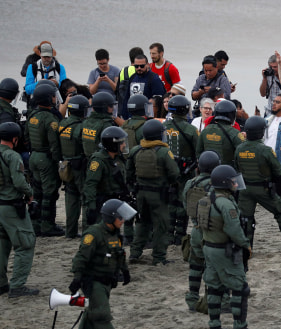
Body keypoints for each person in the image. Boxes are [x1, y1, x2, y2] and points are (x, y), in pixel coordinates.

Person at [196, 164, 261, 329]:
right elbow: (234, 230)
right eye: (233, 181)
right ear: (225, 183)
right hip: (225, 250)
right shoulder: (226, 204)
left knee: (214, 287)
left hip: (208, 247)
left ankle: (214, 327)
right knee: (240, 287)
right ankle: (240, 327)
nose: (235, 184)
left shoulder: (205, 199)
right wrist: (246, 245)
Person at [69, 199, 134, 329]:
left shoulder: (115, 234)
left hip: (106, 282)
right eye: (121, 218)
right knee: (102, 315)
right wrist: (77, 278)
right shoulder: (94, 234)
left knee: (92, 315)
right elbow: (81, 257)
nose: (123, 221)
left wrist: (124, 270)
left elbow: (119, 254)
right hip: (93, 281)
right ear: (111, 218)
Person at [235, 116, 281, 255]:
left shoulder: (239, 149)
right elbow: (278, 171)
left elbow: (237, 168)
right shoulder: (265, 150)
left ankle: (246, 249)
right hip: (263, 189)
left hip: (245, 189)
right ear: (261, 132)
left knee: (246, 219)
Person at [127, 120, 180, 265]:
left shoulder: (136, 150)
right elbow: (174, 173)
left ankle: (135, 253)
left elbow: (129, 173)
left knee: (142, 223)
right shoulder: (163, 152)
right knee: (161, 226)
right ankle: (159, 257)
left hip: (140, 194)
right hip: (159, 195)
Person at [0, 122, 38, 298]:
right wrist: (30, 194)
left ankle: (1, 284)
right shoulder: (12, 156)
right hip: (11, 206)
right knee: (25, 243)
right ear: (15, 139)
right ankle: (17, 286)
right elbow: (19, 182)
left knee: (2, 245)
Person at [182, 150, 221, 312]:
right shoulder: (217, 185)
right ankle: (217, 299)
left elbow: (185, 204)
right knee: (216, 267)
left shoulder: (190, 184)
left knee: (195, 265)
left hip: (196, 230)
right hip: (212, 232)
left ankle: (192, 297)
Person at [25, 84, 64, 237]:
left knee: (37, 191)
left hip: (33, 156)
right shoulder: (51, 120)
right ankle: (47, 225)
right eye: (54, 96)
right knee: (50, 193)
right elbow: (54, 145)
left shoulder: (32, 116)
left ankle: (35, 223)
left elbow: (26, 138)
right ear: (49, 98)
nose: (55, 99)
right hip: (46, 159)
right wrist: (57, 162)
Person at [162, 95, 198, 245]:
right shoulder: (191, 130)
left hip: (166, 171)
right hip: (185, 172)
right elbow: (199, 152)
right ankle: (179, 235)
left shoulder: (163, 126)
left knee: (169, 202)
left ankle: (169, 234)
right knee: (183, 202)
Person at [83, 126, 129, 226]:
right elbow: (90, 184)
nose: (124, 145)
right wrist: (91, 207)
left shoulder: (118, 159)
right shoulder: (98, 161)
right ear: (113, 145)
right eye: (121, 143)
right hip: (102, 202)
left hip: (115, 199)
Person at [58, 94, 89, 239]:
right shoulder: (82, 127)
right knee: (86, 198)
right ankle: (87, 231)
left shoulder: (62, 124)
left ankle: (70, 232)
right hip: (80, 166)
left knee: (70, 199)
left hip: (66, 166)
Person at [196, 100, 244, 167]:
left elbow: (198, 152)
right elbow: (242, 155)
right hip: (227, 172)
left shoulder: (206, 130)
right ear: (232, 115)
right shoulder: (235, 133)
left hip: (207, 171)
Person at [121, 54, 166, 120]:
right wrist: (124, 116)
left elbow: (159, 100)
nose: (139, 68)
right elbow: (127, 98)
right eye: (136, 66)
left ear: (147, 65)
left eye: (142, 66)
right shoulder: (132, 78)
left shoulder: (154, 79)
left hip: (146, 118)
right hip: (131, 117)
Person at [81, 92, 117, 158]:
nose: (113, 109)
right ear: (105, 108)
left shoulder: (86, 122)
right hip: (102, 160)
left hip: (88, 159)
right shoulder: (106, 125)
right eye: (111, 106)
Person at [115, 47, 143, 121]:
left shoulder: (123, 70)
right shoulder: (142, 71)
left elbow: (117, 90)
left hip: (123, 109)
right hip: (138, 110)